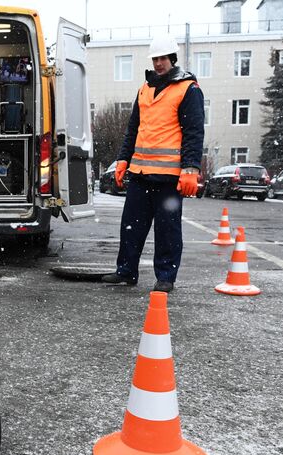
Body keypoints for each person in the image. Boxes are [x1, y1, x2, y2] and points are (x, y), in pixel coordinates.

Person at [102, 36, 204, 293]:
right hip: (140, 173)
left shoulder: (188, 89)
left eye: (163, 59)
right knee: (131, 227)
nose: (159, 64)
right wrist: (123, 159)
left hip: (169, 177)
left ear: (173, 60)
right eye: (155, 59)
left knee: (167, 229)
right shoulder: (144, 89)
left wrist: (191, 168)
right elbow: (133, 128)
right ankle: (126, 272)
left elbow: (193, 131)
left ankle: (166, 277)